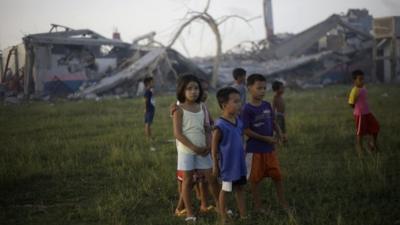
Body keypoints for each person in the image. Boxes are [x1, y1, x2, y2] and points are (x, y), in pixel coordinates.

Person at [172, 74, 220, 222]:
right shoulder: (179, 110)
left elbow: (206, 128)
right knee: (187, 182)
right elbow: (178, 134)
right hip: (186, 152)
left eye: (196, 88)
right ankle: (190, 213)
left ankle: (220, 206)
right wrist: (194, 147)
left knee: (211, 178)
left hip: (203, 150)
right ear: (182, 91)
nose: (194, 91)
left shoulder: (202, 107)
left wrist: (207, 144)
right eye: (189, 88)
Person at [241, 74, 288, 213]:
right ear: (249, 88)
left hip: (269, 150)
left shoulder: (267, 105)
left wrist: (280, 134)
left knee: (277, 176)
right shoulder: (246, 109)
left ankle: (283, 203)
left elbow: (273, 122)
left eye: (264, 88)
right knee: (255, 180)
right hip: (254, 150)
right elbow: (246, 130)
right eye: (259, 88)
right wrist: (265, 138)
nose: (262, 91)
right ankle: (258, 206)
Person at [212, 87, 247, 224]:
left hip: (239, 164)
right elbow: (213, 148)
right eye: (236, 102)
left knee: (240, 188)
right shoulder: (220, 125)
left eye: (240, 101)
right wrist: (215, 165)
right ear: (224, 105)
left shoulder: (239, 121)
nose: (239, 104)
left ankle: (244, 216)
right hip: (227, 166)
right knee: (225, 190)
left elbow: (241, 137)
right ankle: (223, 217)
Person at [348, 70, 380, 154]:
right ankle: (360, 148)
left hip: (367, 113)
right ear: (355, 80)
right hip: (360, 114)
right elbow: (351, 103)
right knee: (360, 132)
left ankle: (372, 143)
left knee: (375, 127)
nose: (362, 81)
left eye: (363, 79)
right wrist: (358, 109)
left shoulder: (363, 87)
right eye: (360, 79)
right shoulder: (354, 91)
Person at [143, 77, 156, 151]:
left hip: (150, 109)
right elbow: (146, 101)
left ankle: (150, 137)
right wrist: (146, 109)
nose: (153, 83)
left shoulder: (149, 91)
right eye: (152, 82)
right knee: (148, 125)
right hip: (149, 110)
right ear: (148, 83)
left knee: (147, 124)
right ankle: (149, 138)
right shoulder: (148, 92)